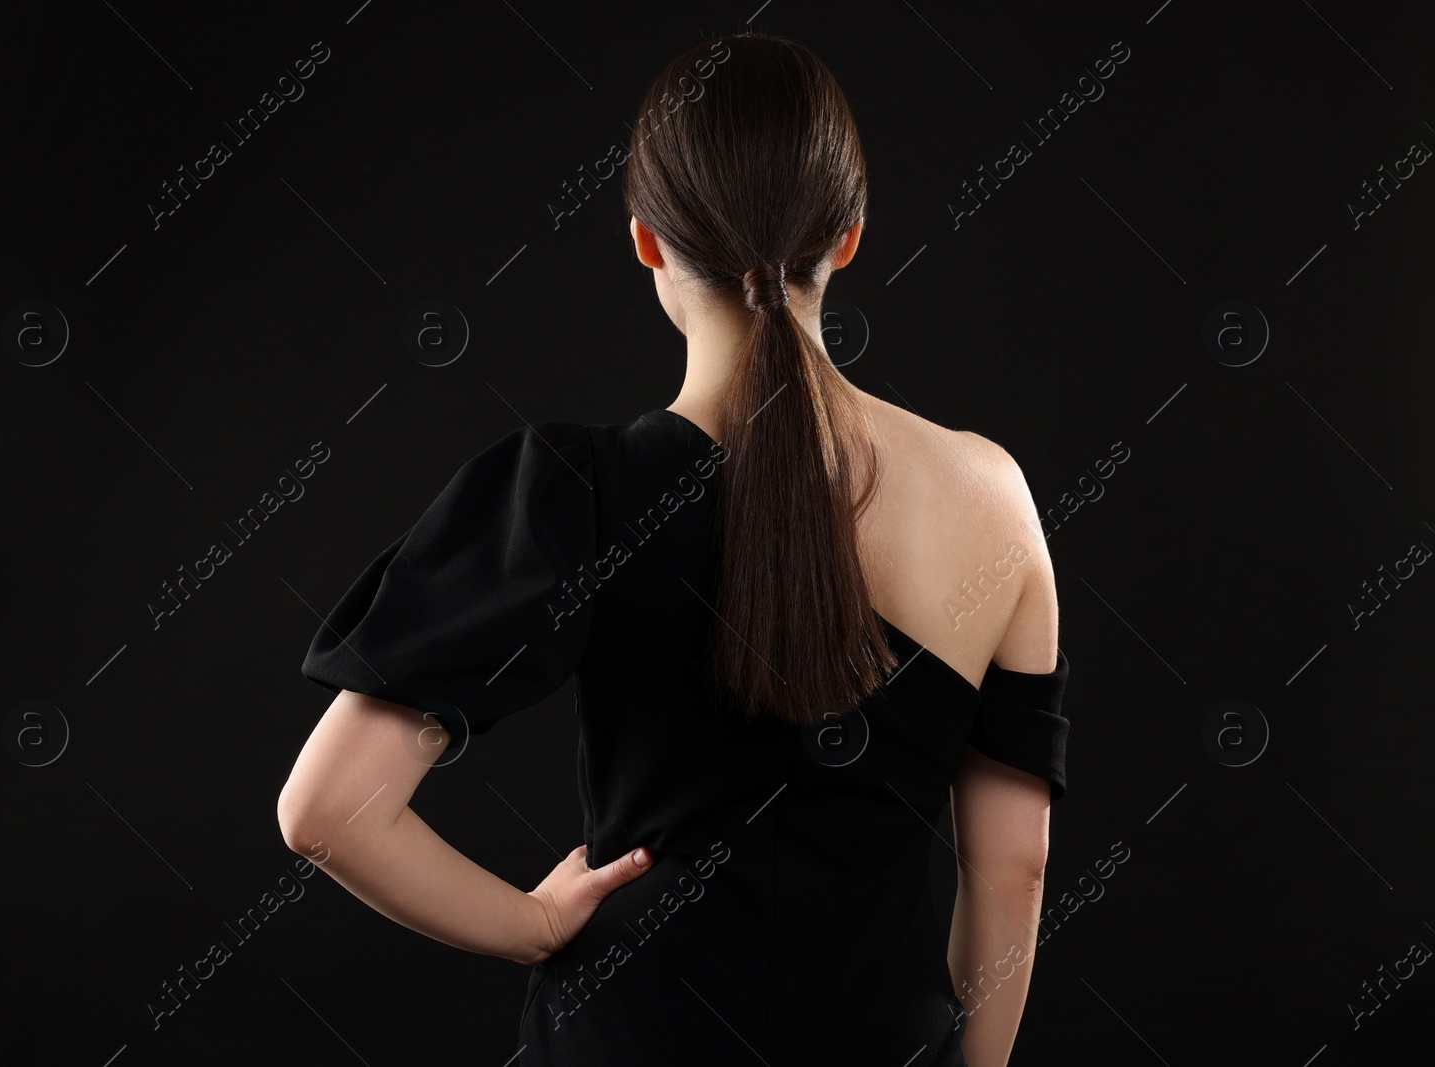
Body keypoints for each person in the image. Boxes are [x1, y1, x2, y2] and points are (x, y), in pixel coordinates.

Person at [277, 30, 1069, 1067]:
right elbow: (1011, 868)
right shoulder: (994, 498)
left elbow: (327, 809)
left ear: (647, 242)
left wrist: (530, 920)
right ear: (848, 237)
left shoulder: (581, 493)